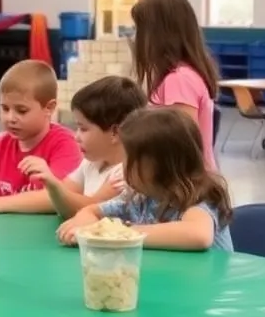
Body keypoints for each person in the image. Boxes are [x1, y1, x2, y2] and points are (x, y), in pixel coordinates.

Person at [57, 107, 234, 251]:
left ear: (160, 165)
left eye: (127, 159)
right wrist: (85, 225)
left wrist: (119, 234)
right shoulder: (141, 198)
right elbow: (92, 211)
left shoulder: (199, 197)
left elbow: (198, 235)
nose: (122, 166)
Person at [23, 75, 148, 218]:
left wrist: (53, 184)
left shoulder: (127, 174)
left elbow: (87, 209)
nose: (76, 137)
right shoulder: (92, 162)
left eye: (83, 129)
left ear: (115, 132)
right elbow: (65, 203)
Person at [0, 59, 82, 214]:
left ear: (49, 108)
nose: (11, 118)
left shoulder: (65, 145)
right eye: (5, 108)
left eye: (21, 111)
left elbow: (59, 198)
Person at [131, 0, 219, 170]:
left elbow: (180, 146)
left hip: (186, 188)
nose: (135, 37)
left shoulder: (179, 80)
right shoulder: (182, 75)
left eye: (139, 30)